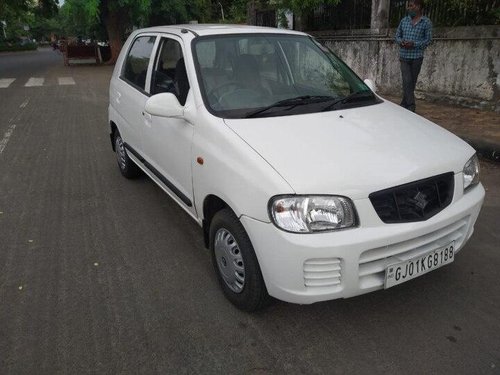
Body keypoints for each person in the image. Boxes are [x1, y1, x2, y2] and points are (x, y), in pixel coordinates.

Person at [395, 0, 432, 112]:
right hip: (404, 56)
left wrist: (414, 44)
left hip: (417, 57)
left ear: (418, 7)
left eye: (411, 6)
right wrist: (401, 42)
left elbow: (428, 40)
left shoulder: (426, 22)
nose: (409, 8)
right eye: (409, 6)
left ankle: (404, 103)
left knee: (412, 82)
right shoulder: (404, 21)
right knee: (406, 80)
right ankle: (411, 106)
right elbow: (397, 36)